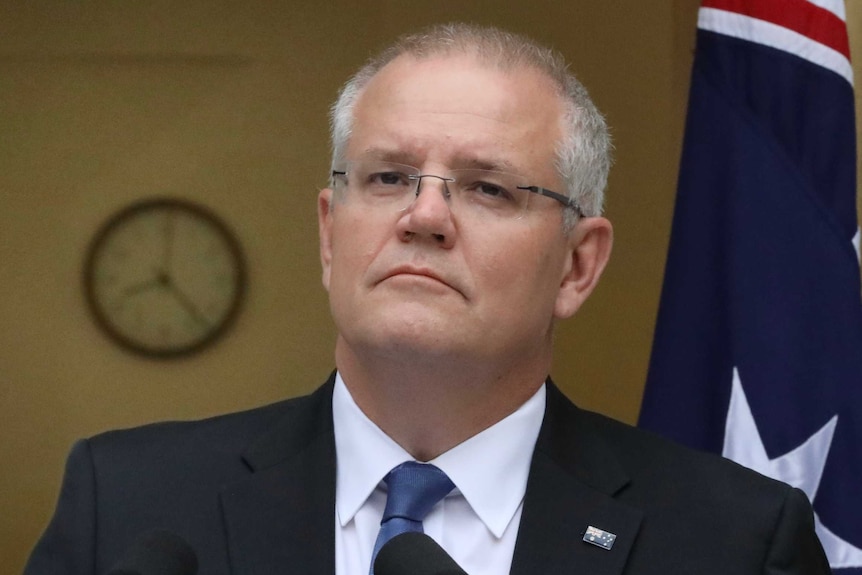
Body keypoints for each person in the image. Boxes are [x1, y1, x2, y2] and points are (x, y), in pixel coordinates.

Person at [24, 23, 829, 575]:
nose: (425, 216)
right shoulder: (129, 507)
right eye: (387, 177)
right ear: (331, 232)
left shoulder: (733, 538)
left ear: (578, 265)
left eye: (486, 187)